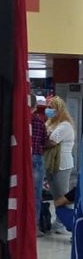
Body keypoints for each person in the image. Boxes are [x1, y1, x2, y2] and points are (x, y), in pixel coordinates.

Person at [45, 95, 76, 234]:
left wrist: (42, 139)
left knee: (63, 196)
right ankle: (59, 221)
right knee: (55, 194)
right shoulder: (51, 123)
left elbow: (51, 141)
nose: (48, 110)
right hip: (52, 165)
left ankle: (67, 224)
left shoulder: (65, 125)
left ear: (58, 109)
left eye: (51, 108)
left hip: (62, 165)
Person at [30, 93, 47, 235]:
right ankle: (34, 227)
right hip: (36, 158)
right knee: (35, 193)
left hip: (20, 159)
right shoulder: (39, 122)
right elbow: (44, 141)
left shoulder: (17, 120)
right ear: (35, 106)